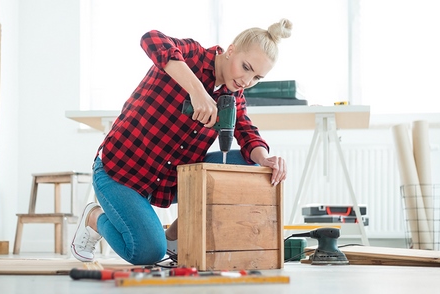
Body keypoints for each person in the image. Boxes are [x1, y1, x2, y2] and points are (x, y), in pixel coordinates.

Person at [71, 19, 291, 265]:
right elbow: (151, 38)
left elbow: (247, 132)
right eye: (246, 67)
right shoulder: (192, 56)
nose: (247, 81)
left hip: (168, 180)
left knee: (250, 167)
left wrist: (265, 159)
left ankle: (175, 235)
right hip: (120, 172)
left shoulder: (233, 96)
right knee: (149, 252)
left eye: (257, 77)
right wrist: (197, 91)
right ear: (231, 50)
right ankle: (94, 218)